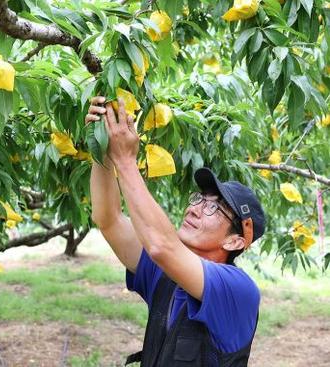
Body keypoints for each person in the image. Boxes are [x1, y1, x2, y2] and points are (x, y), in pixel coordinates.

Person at [85, 96, 266, 367]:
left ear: (235, 240)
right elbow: (108, 219)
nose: (194, 209)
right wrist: (102, 150)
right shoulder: (166, 273)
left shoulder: (237, 290)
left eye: (214, 209)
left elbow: (161, 245)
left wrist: (125, 161)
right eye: (199, 200)